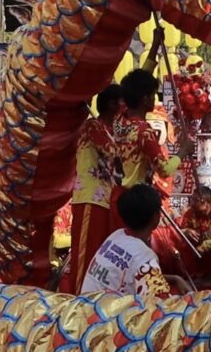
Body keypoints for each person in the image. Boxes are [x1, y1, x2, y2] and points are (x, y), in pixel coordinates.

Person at [62, 85, 122, 294]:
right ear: (112, 104)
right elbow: (113, 153)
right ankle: (79, 297)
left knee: (101, 257)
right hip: (90, 199)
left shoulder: (111, 131)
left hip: (106, 200)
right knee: (86, 255)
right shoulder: (92, 126)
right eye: (122, 102)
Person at [81, 184, 189, 296]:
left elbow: (137, 274)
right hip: (105, 307)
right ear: (156, 218)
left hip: (86, 303)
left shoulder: (116, 236)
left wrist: (175, 279)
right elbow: (160, 301)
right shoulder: (145, 257)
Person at [111, 69, 180, 228]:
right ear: (145, 99)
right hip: (138, 202)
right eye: (153, 94)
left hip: (119, 197)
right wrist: (182, 152)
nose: (154, 99)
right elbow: (164, 170)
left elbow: (132, 87)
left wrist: (153, 53)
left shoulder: (119, 121)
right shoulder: (145, 132)